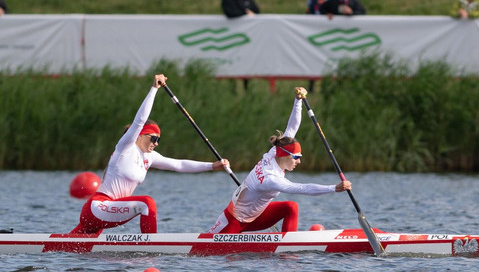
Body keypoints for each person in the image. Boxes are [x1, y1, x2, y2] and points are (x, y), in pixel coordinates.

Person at [70, 74, 230, 235]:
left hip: (110, 211)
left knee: (68, 246)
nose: (156, 143)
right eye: (153, 138)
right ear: (140, 135)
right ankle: (151, 245)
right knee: (147, 203)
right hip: (98, 208)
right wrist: (154, 89)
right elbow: (139, 121)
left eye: (159, 139)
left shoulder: (149, 157)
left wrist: (212, 166)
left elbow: (179, 165)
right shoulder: (126, 147)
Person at [208, 87, 352, 234]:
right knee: (226, 255)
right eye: (296, 157)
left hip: (257, 216)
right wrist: (334, 188)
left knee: (291, 207)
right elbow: (302, 188)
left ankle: (288, 247)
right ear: (285, 155)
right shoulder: (271, 179)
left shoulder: (274, 152)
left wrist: (298, 101)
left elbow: (292, 127)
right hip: (234, 221)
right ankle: (286, 244)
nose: (299, 162)